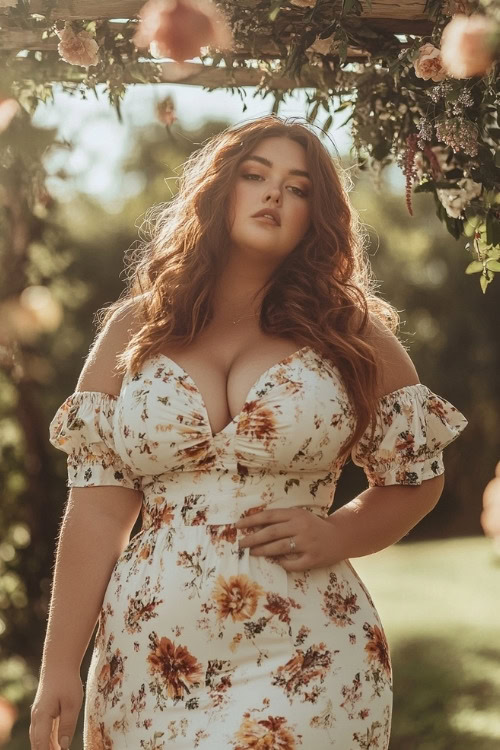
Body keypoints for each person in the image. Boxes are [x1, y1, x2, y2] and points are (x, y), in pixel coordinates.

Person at [30, 114, 468, 750]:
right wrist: (58, 666)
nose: (274, 195)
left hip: (306, 653)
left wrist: (336, 532)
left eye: (298, 188)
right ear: (218, 192)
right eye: (255, 176)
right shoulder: (137, 329)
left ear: (315, 217)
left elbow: (415, 477)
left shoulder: (351, 334)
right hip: (149, 658)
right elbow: (97, 510)